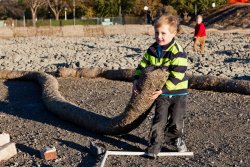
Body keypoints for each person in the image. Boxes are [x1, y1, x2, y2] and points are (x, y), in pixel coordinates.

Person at [133, 14, 188, 158]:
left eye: (163, 33)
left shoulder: (177, 51)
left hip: (178, 92)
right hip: (161, 94)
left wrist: (165, 89)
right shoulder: (152, 49)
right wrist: (136, 79)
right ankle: (154, 146)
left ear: (173, 33)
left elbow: (178, 74)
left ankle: (175, 140)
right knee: (159, 120)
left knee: (176, 121)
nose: (159, 36)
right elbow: (142, 66)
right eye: (157, 33)